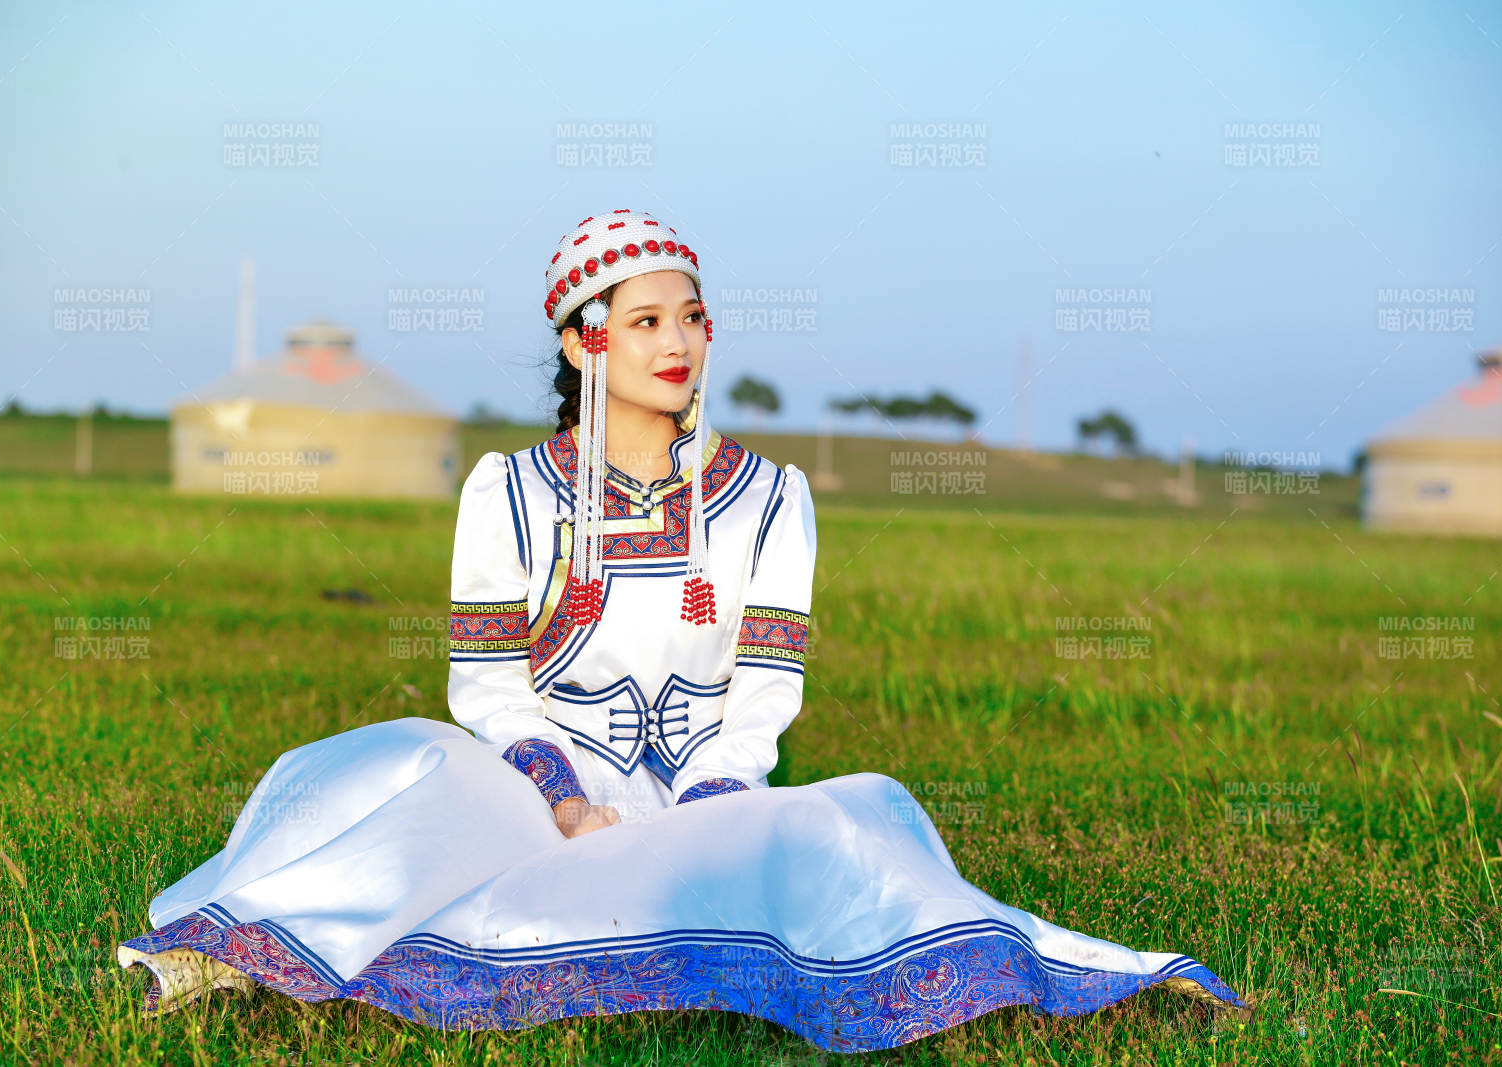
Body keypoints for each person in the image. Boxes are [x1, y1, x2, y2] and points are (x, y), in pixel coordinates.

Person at [118, 209, 1250, 1053]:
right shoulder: (505, 490)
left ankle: (1035, 967)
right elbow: (486, 683)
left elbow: (761, 692)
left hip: (708, 792)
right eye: (645, 320)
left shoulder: (768, 497)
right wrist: (560, 793)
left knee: (847, 819)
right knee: (416, 766)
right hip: (535, 790)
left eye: (690, 318)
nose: (677, 342)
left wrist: (707, 803)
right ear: (583, 342)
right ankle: (232, 949)